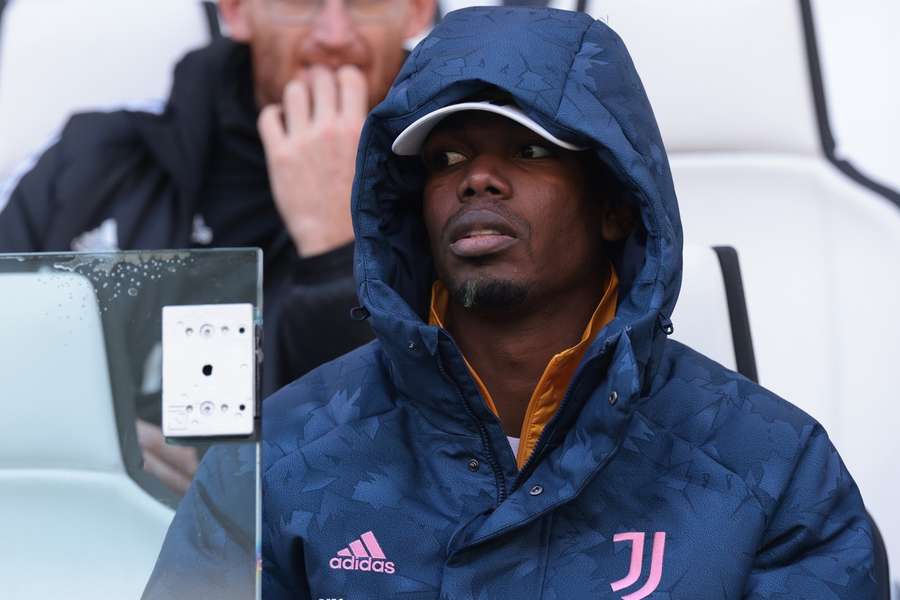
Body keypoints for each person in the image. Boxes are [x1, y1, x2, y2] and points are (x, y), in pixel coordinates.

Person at [260, 7, 877, 598]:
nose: (477, 179)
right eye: (448, 158)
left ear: (614, 205)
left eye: (530, 151)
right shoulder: (286, 453)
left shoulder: (772, 469)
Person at [0, 0, 435, 494]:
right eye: (300, 3)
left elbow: (430, 462)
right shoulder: (94, 163)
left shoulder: (463, 186)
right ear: (234, 11)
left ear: (419, 11)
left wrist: (337, 247)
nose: (333, 34)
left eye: (366, 3)